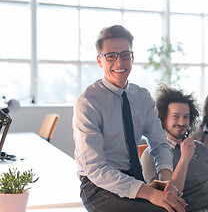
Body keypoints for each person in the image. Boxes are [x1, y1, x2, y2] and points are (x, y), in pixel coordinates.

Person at [73, 25, 186, 212]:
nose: (119, 62)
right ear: (100, 61)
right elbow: (95, 169)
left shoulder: (142, 97)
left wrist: (167, 183)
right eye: (111, 56)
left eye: (125, 55)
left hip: (134, 179)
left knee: (174, 206)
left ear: (132, 58)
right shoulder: (87, 102)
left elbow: (160, 144)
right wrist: (151, 194)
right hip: (97, 186)